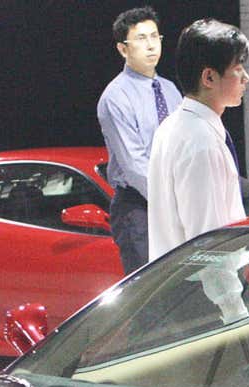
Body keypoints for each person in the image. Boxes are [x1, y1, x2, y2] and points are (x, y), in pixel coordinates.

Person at [146, 19, 249, 262]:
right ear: (209, 77)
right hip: (201, 292)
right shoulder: (201, 142)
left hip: (177, 282)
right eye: (238, 67)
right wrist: (231, 300)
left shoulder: (173, 127)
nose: (246, 77)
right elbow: (209, 246)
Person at [97, 7, 183, 272]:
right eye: (141, 39)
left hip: (174, 200)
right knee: (150, 295)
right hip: (138, 208)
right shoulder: (116, 97)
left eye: (155, 37)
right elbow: (134, 165)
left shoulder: (170, 90)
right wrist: (173, 201)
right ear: (123, 49)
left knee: (180, 288)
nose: (150, 46)